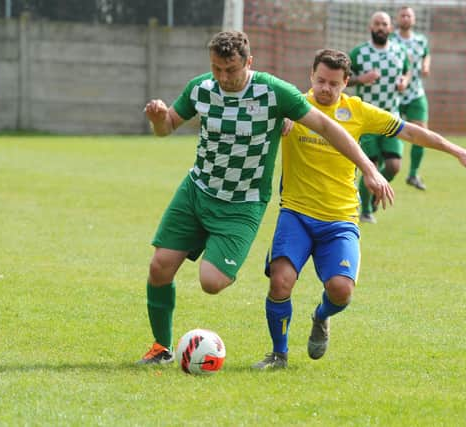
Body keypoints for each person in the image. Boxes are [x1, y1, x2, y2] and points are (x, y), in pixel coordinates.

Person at [138, 31, 393, 364]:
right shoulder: (200, 87)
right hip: (196, 191)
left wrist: (369, 170)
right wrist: (159, 120)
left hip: (242, 203)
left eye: (231, 69)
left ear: (249, 62)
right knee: (160, 267)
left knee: (211, 282)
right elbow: (168, 124)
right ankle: (161, 348)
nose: (223, 78)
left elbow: (329, 128)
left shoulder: (274, 92)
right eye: (216, 68)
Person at [252, 49, 466, 370]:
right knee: (280, 281)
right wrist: (277, 122)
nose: (326, 88)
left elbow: (409, 130)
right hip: (295, 212)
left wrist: (456, 150)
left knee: (341, 292)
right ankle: (278, 354)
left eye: (334, 84)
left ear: (346, 82)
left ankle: (321, 317)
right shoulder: (294, 106)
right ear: (311, 76)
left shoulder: (357, 111)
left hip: (339, 219)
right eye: (320, 80)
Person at [348, 11, 411, 224]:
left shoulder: (400, 52)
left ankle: (375, 192)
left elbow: (407, 72)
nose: (381, 27)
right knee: (371, 167)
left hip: (391, 118)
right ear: (370, 27)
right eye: (377, 23)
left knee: (393, 166)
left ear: (390, 28)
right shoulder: (359, 53)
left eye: (384, 24)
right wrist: (361, 79)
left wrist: (404, 81)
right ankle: (365, 210)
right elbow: (343, 80)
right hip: (366, 120)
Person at [394, 6, 431, 191]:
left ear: (414, 19)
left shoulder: (420, 40)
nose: (406, 18)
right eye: (403, 15)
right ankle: (386, 165)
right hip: (394, 95)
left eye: (409, 15)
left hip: (416, 92)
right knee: (391, 131)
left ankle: (413, 174)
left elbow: (426, 55)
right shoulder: (391, 39)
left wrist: (425, 66)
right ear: (397, 19)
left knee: (422, 133)